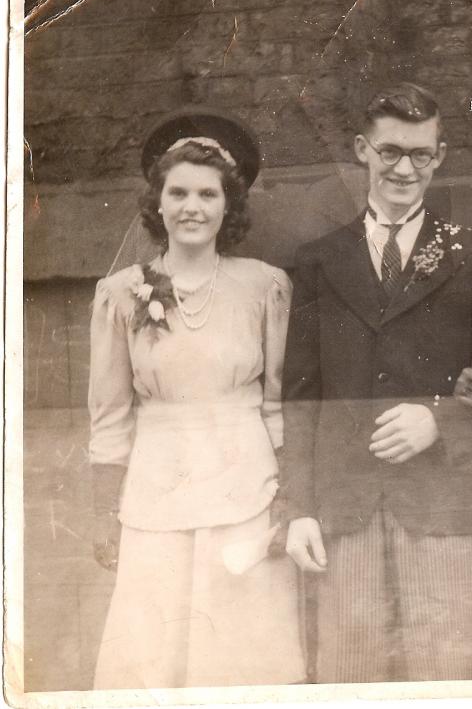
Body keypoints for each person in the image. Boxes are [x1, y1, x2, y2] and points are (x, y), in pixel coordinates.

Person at [279, 82, 472, 682]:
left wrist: (439, 420)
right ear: (362, 150)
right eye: (390, 151)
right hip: (345, 508)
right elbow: (301, 395)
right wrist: (299, 509)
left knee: (447, 674)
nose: (404, 168)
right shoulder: (320, 259)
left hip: (441, 504)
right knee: (349, 676)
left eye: (421, 154)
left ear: (440, 156)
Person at [87, 109, 305, 688]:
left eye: (207, 194)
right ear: (156, 201)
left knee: (239, 647)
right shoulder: (120, 293)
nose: (192, 207)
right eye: (177, 191)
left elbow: (276, 399)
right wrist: (108, 508)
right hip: (157, 484)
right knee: (154, 649)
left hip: (244, 480)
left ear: (228, 205)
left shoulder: (265, 285)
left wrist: (285, 491)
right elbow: (109, 416)